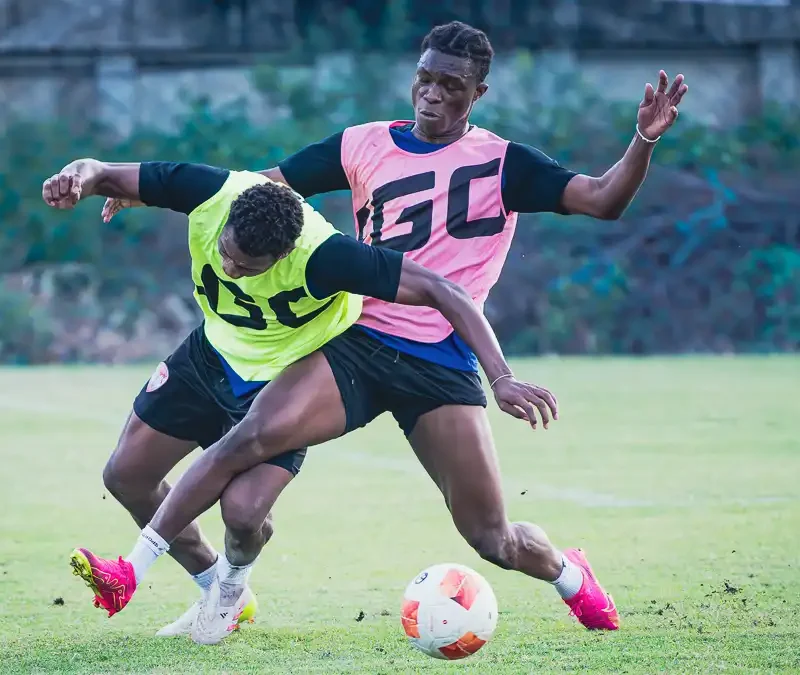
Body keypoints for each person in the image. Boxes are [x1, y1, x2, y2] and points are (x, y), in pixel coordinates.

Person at [75, 20, 688, 644]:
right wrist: (144, 193)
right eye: (425, 78)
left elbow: (603, 199)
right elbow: (265, 190)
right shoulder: (362, 143)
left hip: (440, 361)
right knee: (247, 438)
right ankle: (147, 574)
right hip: (358, 344)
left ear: (478, 93)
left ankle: (569, 574)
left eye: (451, 85)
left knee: (491, 538)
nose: (432, 94)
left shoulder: (505, 163)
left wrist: (643, 139)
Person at [43, 156, 553, 637]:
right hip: (210, 356)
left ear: (285, 254)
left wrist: (501, 377)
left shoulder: (328, 255)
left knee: (244, 514)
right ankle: (218, 590)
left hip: (282, 381)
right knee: (125, 475)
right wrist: (75, 180)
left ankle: (216, 587)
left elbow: (447, 292)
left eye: (248, 266)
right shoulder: (210, 191)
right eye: (227, 252)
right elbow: (101, 171)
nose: (230, 268)